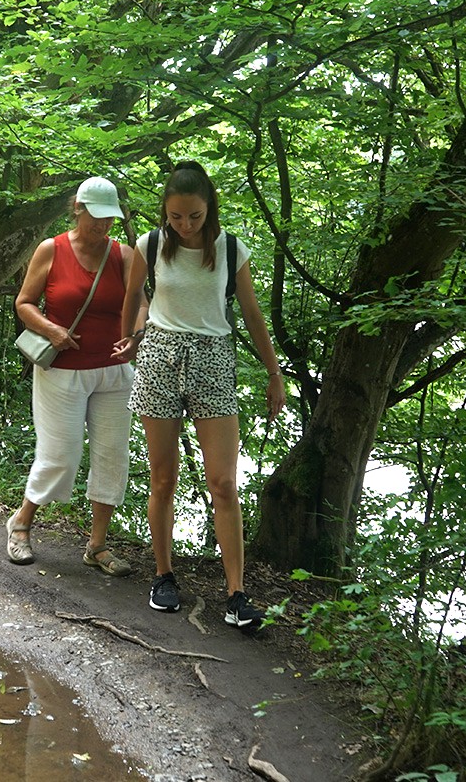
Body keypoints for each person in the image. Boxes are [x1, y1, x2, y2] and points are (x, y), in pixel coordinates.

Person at [116, 162, 286, 631]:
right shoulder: (149, 245)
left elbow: (251, 314)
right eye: (175, 217)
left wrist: (275, 375)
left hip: (214, 358)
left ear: (208, 208)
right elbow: (132, 298)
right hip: (159, 358)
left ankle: (236, 594)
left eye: (193, 216)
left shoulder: (231, 249)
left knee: (223, 483)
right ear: (164, 213)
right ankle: (164, 576)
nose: (184, 225)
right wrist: (130, 338)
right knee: (162, 479)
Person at [5, 176, 148, 577]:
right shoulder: (52, 249)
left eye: (110, 219)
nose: (103, 226)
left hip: (115, 372)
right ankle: (22, 521)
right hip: (62, 371)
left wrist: (137, 336)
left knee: (111, 456)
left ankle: (97, 546)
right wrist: (51, 330)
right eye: (96, 218)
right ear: (78, 209)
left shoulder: (124, 255)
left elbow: (142, 304)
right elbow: (24, 303)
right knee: (61, 456)